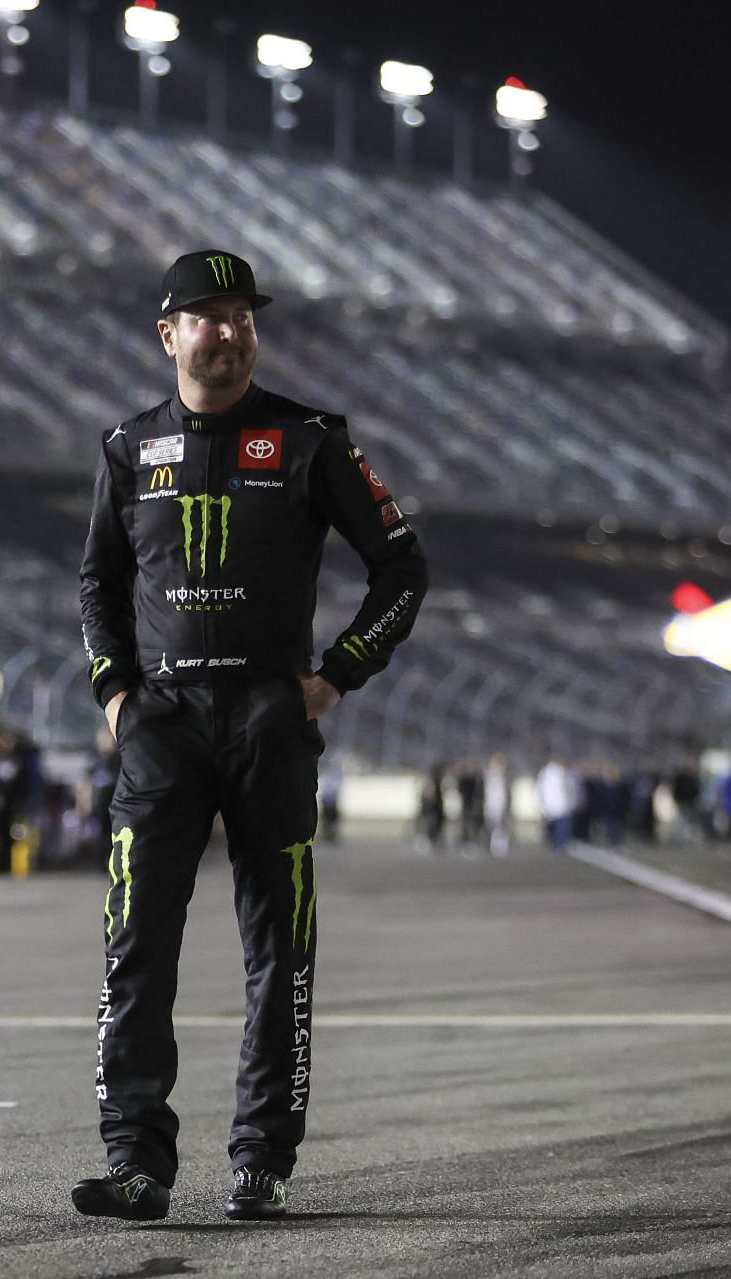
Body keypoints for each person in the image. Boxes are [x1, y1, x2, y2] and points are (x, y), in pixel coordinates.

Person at [74, 248, 429, 1223]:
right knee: (136, 942)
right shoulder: (125, 449)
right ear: (169, 334)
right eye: (207, 316)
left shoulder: (312, 440)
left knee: (281, 948)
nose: (228, 332)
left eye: (242, 317)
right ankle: (137, 1159)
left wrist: (335, 675)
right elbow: (97, 584)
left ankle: (262, 1157)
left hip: (271, 719)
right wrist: (115, 696)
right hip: (163, 726)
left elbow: (402, 568)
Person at [537, 756, 577, 853]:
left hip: (562, 805)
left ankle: (560, 844)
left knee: (562, 827)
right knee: (556, 827)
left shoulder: (563, 773)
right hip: (554, 806)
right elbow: (541, 790)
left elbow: (570, 789)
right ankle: (557, 844)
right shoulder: (547, 773)